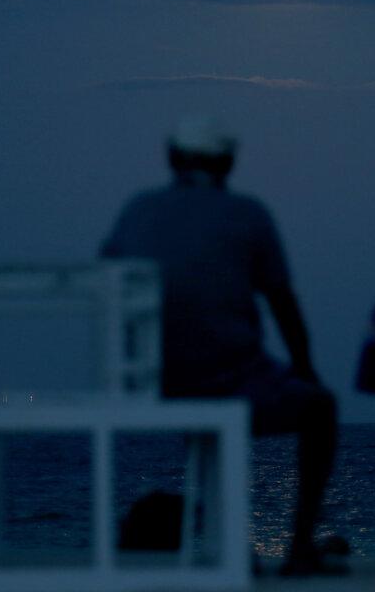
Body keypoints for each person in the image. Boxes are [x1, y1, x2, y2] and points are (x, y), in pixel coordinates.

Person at [100, 115, 340, 576]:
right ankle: (300, 548)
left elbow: (110, 285)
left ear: (171, 159)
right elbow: (284, 305)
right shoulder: (249, 213)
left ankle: (227, 541)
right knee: (320, 409)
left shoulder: (136, 210)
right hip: (230, 380)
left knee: (205, 397)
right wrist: (305, 369)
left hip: (154, 381)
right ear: (229, 163)